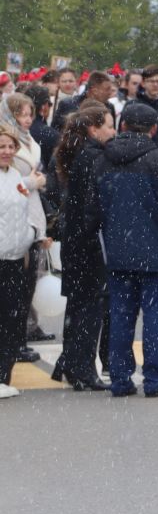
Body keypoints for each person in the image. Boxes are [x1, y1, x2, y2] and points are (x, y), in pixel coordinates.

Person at [95, 102, 158, 398]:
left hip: (118, 251)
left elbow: (95, 207)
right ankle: (153, 378)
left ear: (123, 125)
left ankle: (121, 378)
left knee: (121, 316)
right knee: (156, 318)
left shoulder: (103, 161)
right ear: (154, 129)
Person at [50, 105, 114, 388]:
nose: (113, 132)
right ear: (93, 129)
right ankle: (83, 369)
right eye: (109, 126)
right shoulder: (93, 156)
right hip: (88, 243)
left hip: (75, 240)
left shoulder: (77, 152)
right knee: (89, 307)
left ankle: (70, 363)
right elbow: (93, 204)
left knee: (77, 306)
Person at [0, 127, 47, 398]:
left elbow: (25, 205)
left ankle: (4, 376)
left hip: (16, 258)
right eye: (2, 147)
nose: (6, 152)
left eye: (10, 147)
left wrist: (30, 232)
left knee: (12, 318)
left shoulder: (16, 174)